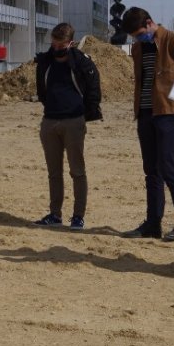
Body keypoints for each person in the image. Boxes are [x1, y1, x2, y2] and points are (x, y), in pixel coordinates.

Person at [120, 7, 174, 241]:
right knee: (151, 171)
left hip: (169, 114)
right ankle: (153, 224)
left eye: (140, 33)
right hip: (145, 114)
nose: (138, 38)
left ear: (150, 23)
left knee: (168, 167)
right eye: (134, 35)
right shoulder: (137, 48)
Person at [33, 23, 102, 230]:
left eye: (60, 44)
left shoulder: (82, 63)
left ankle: (78, 216)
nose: (56, 47)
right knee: (54, 172)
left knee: (77, 171)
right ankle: (55, 214)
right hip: (49, 121)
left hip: (74, 122)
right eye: (53, 43)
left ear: (70, 43)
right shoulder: (45, 62)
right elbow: (42, 91)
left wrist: (83, 114)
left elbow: (93, 92)